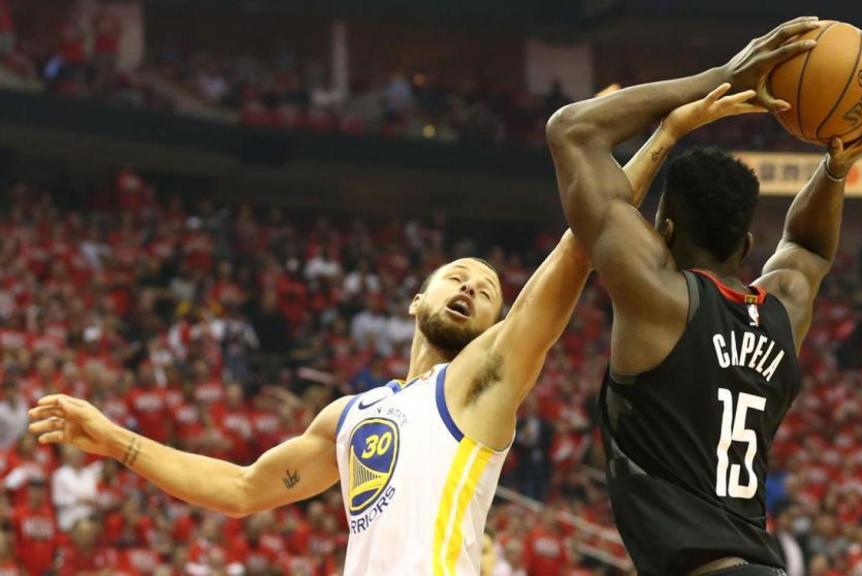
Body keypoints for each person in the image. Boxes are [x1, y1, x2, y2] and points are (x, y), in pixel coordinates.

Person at [25, 92, 729, 574]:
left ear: (495, 326)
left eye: (487, 291)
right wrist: (115, 440)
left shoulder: (483, 380)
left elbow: (581, 247)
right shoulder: (351, 414)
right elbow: (242, 488)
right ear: (416, 298)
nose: (471, 287)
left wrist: (663, 137)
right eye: (458, 275)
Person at [547, 16, 862, 576]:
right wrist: (838, 164)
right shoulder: (782, 314)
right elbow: (807, 250)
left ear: (662, 235)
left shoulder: (657, 299)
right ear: (748, 245)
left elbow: (573, 129)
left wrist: (722, 76)